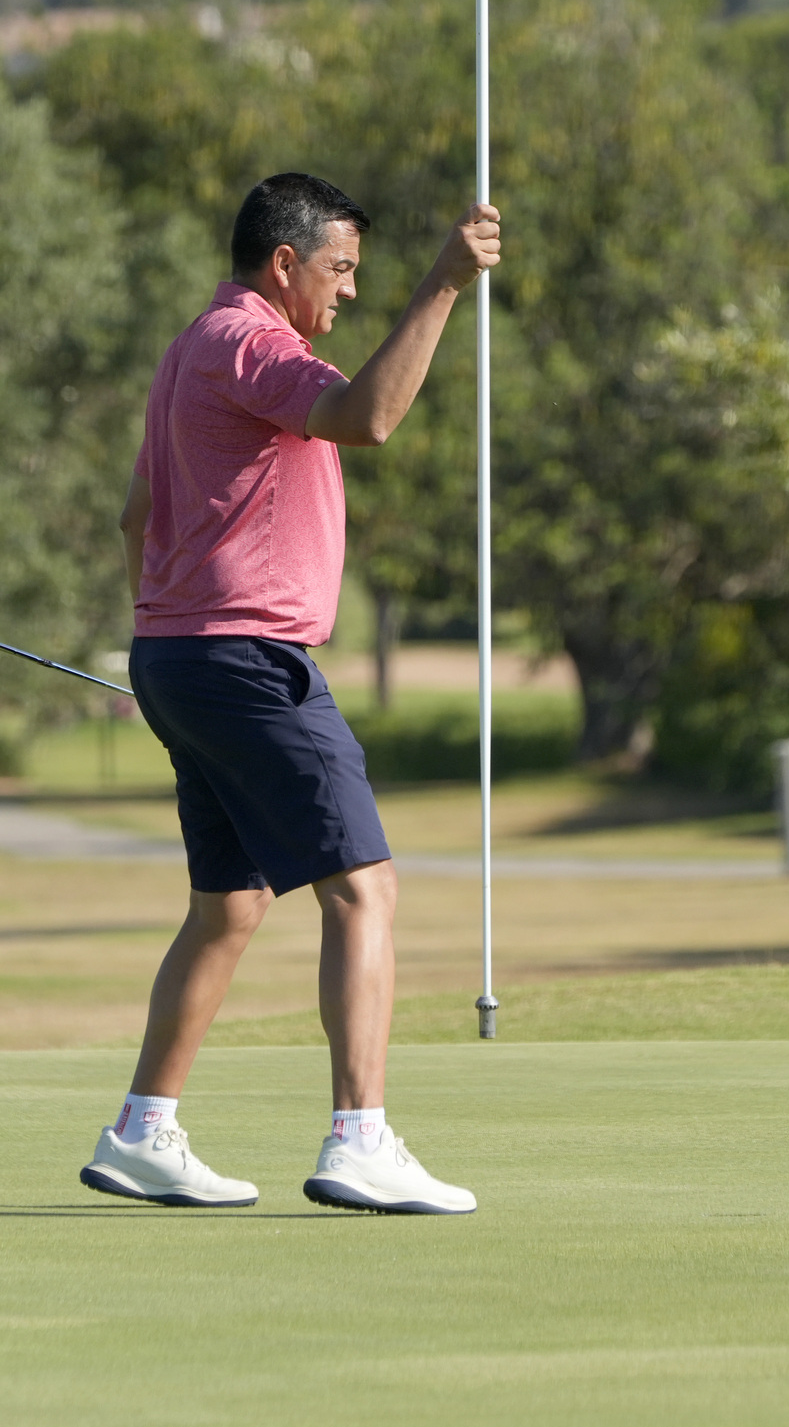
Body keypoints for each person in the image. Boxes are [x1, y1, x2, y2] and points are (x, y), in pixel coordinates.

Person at [82, 172, 499, 1213]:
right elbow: (368, 417)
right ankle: (359, 1138)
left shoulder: (192, 346)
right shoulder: (255, 343)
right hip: (249, 659)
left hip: (182, 655)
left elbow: (137, 513)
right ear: (283, 263)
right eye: (340, 268)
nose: (351, 289)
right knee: (363, 888)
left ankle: (142, 1131)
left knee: (230, 903)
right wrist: (445, 284)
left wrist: (170, 630)